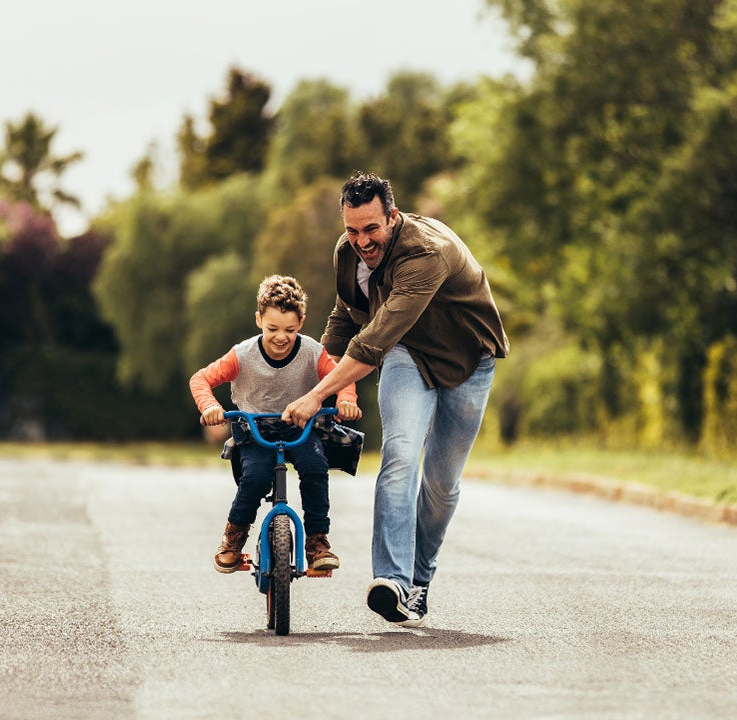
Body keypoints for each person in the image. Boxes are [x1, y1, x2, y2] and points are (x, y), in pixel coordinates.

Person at [283, 171, 508, 627]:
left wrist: (316, 395)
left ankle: (420, 581)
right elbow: (347, 318)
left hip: (468, 360)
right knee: (400, 455)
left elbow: (371, 343)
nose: (362, 241)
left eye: (372, 229)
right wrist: (304, 376)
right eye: (352, 230)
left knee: (441, 482)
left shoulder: (424, 253)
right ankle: (392, 581)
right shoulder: (347, 253)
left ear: (393, 216)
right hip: (409, 355)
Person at [190, 274, 362, 575]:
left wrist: (347, 400)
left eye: (290, 329)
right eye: (272, 328)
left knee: (315, 467)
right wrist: (211, 407)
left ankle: (317, 542)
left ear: (302, 322)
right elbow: (201, 379)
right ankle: (233, 539)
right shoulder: (243, 355)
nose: (281, 336)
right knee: (255, 478)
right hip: (255, 430)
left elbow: (341, 377)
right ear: (258, 320)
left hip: (301, 426)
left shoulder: (312, 352)